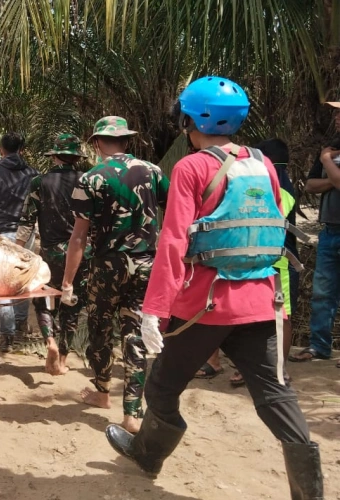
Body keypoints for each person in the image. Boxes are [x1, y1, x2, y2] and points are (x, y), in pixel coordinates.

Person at [107, 76, 322, 499]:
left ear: (190, 117)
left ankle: (148, 454)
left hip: (204, 306)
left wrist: (155, 310)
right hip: (261, 302)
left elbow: (173, 243)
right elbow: (271, 229)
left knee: (162, 387)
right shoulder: (262, 164)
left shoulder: (192, 167)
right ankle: (310, 492)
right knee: (276, 396)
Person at [61, 116, 168, 433]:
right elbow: (174, 211)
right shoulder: (154, 172)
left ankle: (102, 391)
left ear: (96, 143)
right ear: (127, 141)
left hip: (107, 266)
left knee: (99, 327)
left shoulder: (91, 179)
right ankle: (132, 414)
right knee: (135, 334)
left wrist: (68, 280)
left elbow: (78, 237)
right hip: (147, 264)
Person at [196, 138, 300, 387]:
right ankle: (221, 362)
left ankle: (279, 369)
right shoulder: (267, 179)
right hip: (255, 257)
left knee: (281, 314)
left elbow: (271, 216)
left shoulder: (279, 182)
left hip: (278, 261)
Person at [15, 133, 90, 374]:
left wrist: (17, 248)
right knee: (72, 303)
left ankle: (50, 341)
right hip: (80, 253)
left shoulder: (40, 182)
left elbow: (27, 220)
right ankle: (64, 360)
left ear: (55, 155)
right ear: (76, 157)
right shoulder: (87, 180)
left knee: (43, 299)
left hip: (50, 252)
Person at [290, 101, 340, 365]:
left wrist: (325, 162)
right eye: (336, 112)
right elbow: (310, 185)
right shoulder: (332, 147)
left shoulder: (326, 154)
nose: (336, 117)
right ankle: (319, 346)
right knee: (323, 293)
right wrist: (332, 174)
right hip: (330, 231)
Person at [0, 132, 36, 352]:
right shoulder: (32, 173)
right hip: (25, 234)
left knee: (3, 286)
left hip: (0, 235)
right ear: (22, 149)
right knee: (23, 280)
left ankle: (7, 337)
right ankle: (21, 326)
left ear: (1, 150)